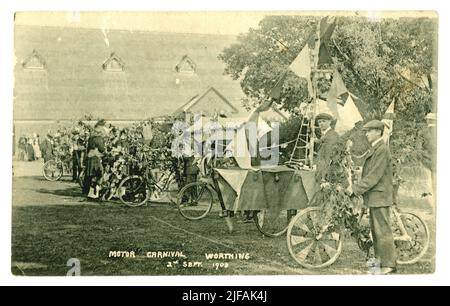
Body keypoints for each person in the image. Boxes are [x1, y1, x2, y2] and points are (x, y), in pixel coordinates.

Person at [347, 120, 397, 274]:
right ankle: (379, 263)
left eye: (369, 131)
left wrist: (355, 189)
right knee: (376, 232)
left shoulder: (382, 149)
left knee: (382, 231)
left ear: (378, 132)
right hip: (376, 196)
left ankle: (389, 265)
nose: (367, 134)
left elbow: (374, 176)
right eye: (366, 131)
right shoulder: (376, 148)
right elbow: (369, 173)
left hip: (380, 196)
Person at [314, 113, 340, 182]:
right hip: (321, 170)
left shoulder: (332, 135)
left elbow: (329, 158)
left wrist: (323, 176)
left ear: (330, 121)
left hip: (326, 175)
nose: (321, 124)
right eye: (319, 122)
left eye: (324, 121)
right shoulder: (325, 135)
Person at [84, 120, 106, 198]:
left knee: (90, 176)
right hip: (95, 158)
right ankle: (94, 194)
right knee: (99, 174)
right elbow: (102, 149)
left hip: (90, 158)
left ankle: (90, 193)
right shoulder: (99, 139)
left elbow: (88, 149)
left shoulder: (90, 138)